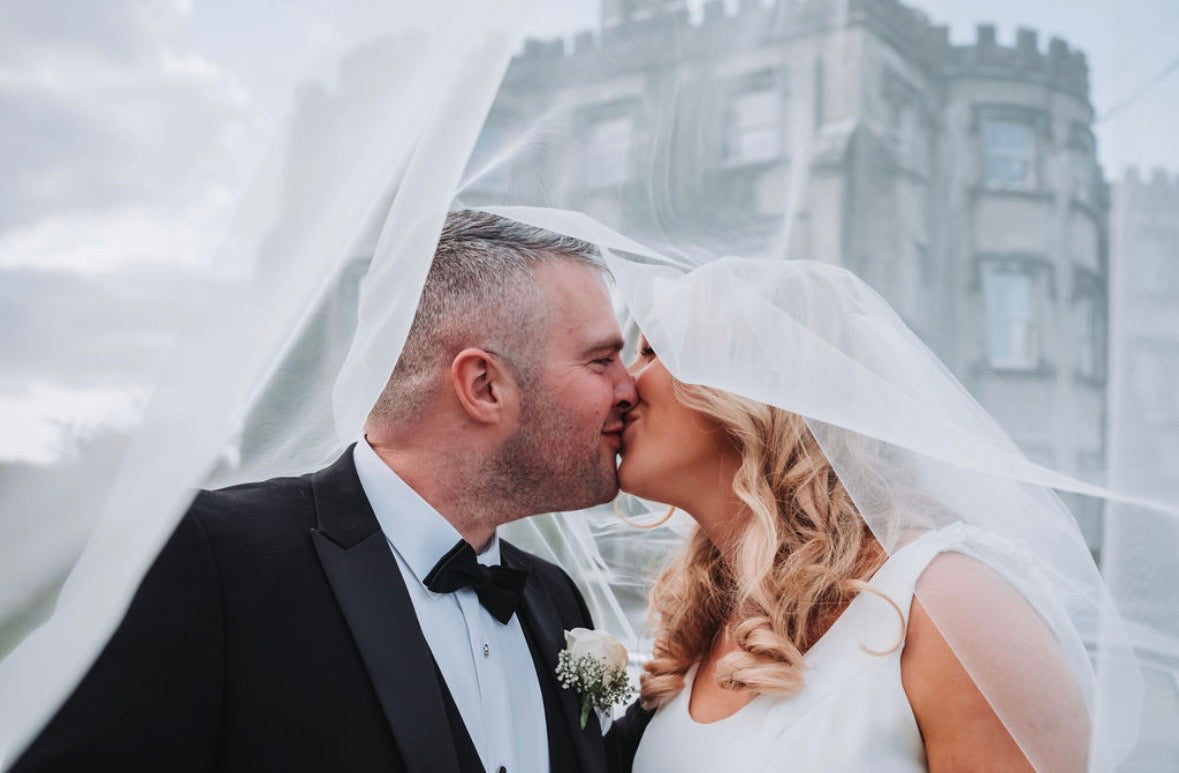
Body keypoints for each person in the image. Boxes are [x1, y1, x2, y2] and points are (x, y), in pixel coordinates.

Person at [11, 210, 636, 773]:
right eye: (602, 359)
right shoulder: (208, 559)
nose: (630, 388)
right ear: (483, 385)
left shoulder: (554, 598)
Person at [604, 332, 1092, 773]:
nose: (624, 383)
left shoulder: (945, 598)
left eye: (652, 351)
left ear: (754, 385)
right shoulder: (705, 622)